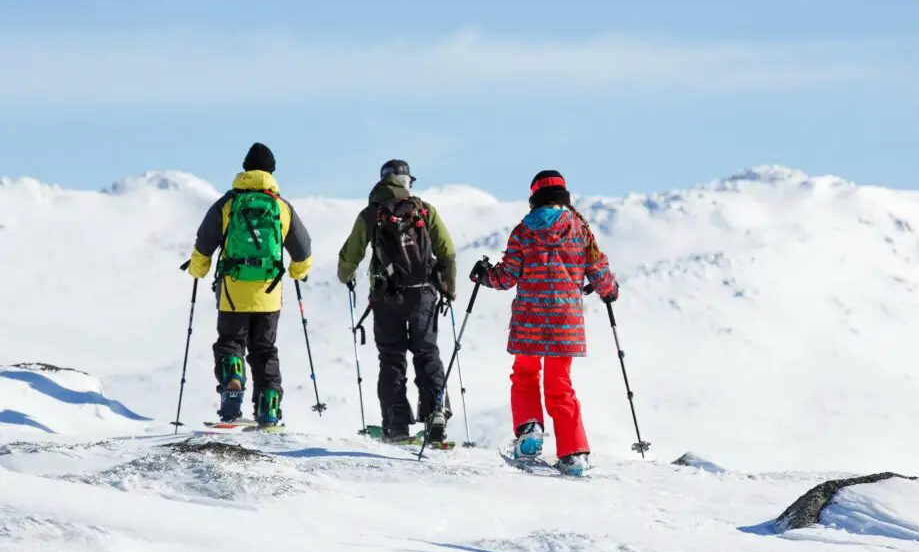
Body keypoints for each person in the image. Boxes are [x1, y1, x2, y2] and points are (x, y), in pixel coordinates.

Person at [469, 170, 619, 476]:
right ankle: (574, 453)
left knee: (524, 374)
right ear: (563, 197)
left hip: (529, 319)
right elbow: (599, 269)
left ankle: (530, 431)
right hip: (566, 322)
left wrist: (483, 275)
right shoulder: (579, 230)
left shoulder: (523, 231)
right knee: (560, 384)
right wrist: (608, 290)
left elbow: (507, 276)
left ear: (534, 198)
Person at [186, 142, 313, 426]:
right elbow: (303, 250)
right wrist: (297, 272)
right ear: (272, 171)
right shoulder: (281, 207)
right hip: (269, 293)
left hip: (233, 291)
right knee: (264, 350)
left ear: (244, 168)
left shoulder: (227, 204)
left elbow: (204, 245)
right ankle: (268, 407)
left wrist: (197, 270)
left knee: (231, 342)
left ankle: (232, 380)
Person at [337, 160, 457, 443]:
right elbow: (447, 252)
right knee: (427, 353)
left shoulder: (371, 213)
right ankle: (435, 411)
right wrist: (449, 288)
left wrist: (346, 277)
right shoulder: (424, 210)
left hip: (386, 297)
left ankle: (396, 422)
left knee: (391, 358)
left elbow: (350, 257)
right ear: (406, 182)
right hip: (424, 294)